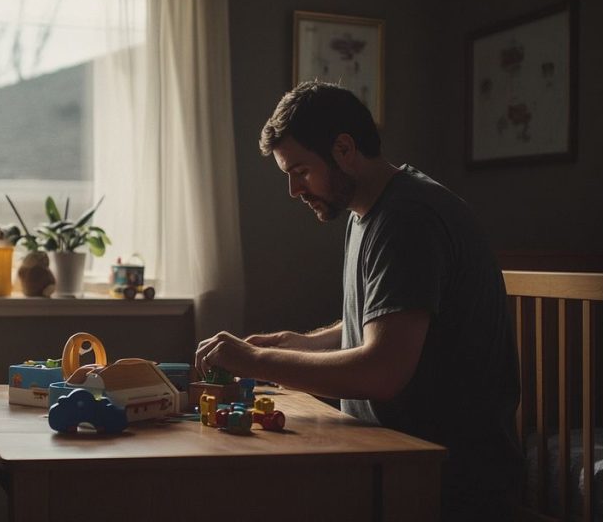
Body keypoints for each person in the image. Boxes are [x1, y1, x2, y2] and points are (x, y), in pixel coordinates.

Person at [195, 81, 522, 521]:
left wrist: (255, 360)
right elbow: (387, 321)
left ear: (344, 149)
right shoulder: (366, 210)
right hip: (392, 454)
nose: (294, 190)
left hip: (445, 476)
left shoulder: (409, 219)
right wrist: (298, 343)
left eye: (300, 171)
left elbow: (381, 371)